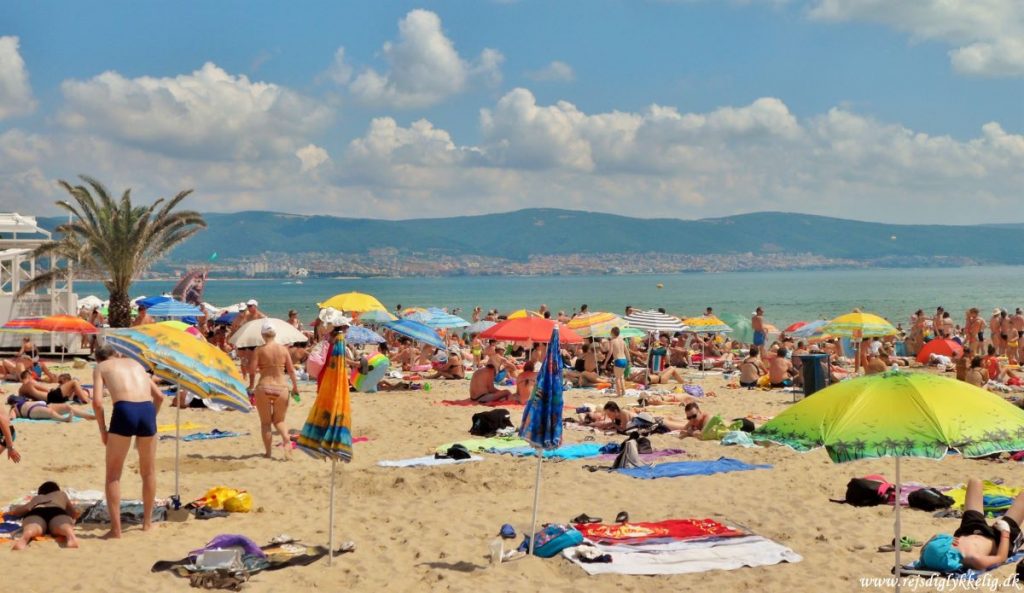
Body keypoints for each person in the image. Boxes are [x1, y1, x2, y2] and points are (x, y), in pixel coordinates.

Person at [92, 345, 164, 539]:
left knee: (113, 476)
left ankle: (116, 530)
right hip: (147, 410)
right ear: (116, 354)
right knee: (148, 472)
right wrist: (150, 421)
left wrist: (103, 430)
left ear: (100, 359)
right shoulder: (136, 364)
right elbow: (159, 396)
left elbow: (97, 403)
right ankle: (147, 523)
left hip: (124, 410)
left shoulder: (101, 367)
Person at [918, 478, 1024, 571]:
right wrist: (1005, 532)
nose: (950, 543)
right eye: (947, 544)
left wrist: (934, 539)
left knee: (974, 482)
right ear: (949, 554)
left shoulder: (933, 555)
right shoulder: (973, 559)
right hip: (998, 539)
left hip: (970, 530)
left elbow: (924, 552)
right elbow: (1001, 558)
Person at [248, 322, 298, 459]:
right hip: (281, 388)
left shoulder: (259, 350)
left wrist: (251, 385)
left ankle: (268, 453)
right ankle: (286, 439)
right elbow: (291, 370)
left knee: (265, 423)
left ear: (262, 335)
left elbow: (252, 371)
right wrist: (295, 387)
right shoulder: (283, 349)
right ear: (275, 334)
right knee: (280, 420)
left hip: (264, 387)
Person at [8, 481, 80, 550]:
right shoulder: (60, 494)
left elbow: (20, 511)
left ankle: (26, 536)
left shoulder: (37, 498)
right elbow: (73, 514)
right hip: (56, 510)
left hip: (37, 511)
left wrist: (32, 504)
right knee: (64, 526)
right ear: (56, 489)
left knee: (32, 528)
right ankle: (70, 535)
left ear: (40, 492)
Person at [8, 393, 95, 421]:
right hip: (31, 411)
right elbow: (11, 417)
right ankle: (64, 419)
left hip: (42, 405)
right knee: (50, 413)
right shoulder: (14, 408)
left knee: (67, 407)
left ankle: (88, 416)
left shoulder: (25, 401)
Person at [608, 327, 627, 397]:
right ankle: (624, 392)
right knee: (621, 377)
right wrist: (629, 360)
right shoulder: (623, 341)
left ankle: (619, 393)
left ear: (613, 333)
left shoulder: (612, 341)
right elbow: (626, 352)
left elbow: (610, 352)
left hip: (618, 360)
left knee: (617, 378)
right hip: (624, 360)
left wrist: (605, 362)